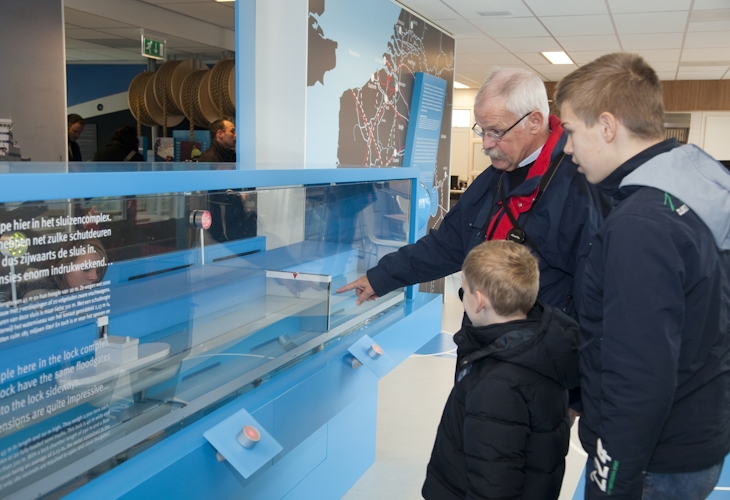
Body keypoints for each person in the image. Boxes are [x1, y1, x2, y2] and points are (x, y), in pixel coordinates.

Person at [555, 52, 730, 500]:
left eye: (572, 131)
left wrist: (608, 480)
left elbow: (638, 374)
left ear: (608, 126)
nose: (567, 148)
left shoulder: (642, 225)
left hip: (655, 460)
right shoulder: (695, 190)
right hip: (698, 432)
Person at [337, 67, 607, 322]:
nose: (486, 144)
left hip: (543, 354)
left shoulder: (580, 185)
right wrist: (381, 277)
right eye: (482, 130)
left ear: (534, 121)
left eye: (496, 132)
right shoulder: (493, 178)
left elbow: (596, 291)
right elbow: (447, 245)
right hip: (482, 340)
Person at [422, 240, 580, 500]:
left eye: (464, 292)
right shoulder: (543, 347)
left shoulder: (497, 384)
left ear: (479, 301)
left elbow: (493, 485)